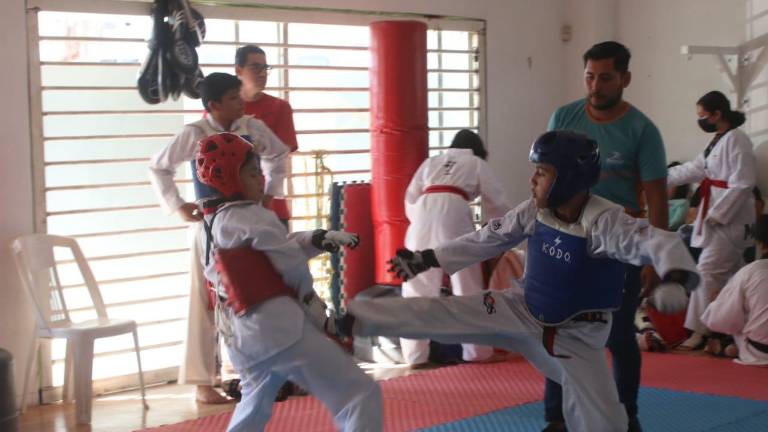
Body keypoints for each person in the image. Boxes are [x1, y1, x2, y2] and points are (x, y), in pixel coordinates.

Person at [340, 130, 699, 432]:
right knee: (444, 311)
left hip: (575, 337)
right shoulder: (532, 211)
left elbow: (655, 240)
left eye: (542, 172)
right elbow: (486, 239)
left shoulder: (605, 221)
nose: (532, 179)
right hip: (519, 309)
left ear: (570, 178)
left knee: (603, 422)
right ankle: (358, 317)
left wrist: (676, 278)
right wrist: (427, 258)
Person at [195, 132, 382, 432]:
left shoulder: (210, 224)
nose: (262, 180)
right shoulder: (254, 216)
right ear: (230, 178)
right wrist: (322, 316)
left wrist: (316, 239)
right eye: (254, 173)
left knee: (253, 409)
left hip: (241, 337)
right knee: (359, 394)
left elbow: (271, 252)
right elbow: (289, 266)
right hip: (280, 332)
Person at [543, 41, 669, 432]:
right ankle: (556, 418)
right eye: (589, 77)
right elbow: (546, 180)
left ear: (625, 78)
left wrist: (655, 257)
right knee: (556, 329)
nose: (595, 86)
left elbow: (656, 197)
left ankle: (627, 414)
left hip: (619, 245)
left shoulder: (642, 131)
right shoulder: (564, 117)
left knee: (617, 336)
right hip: (568, 239)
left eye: (606, 78)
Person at [148, 72, 290, 403]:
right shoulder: (195, 133)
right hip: (210, 223)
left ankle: (257, 372)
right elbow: (158, 167)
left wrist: (270, 194)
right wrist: (178, 205)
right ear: (212, 105)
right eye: (232, 98)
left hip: (250, 221)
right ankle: (201, 381)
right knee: (204, 298)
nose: (241, 102)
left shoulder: (252, 128)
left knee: (255, 295)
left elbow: (279, 155)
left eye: (240, 97)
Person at [399, 129, 511, 366]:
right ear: (478, 150)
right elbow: (496, 202)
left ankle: (414, 356)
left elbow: (409, 198)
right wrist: (494, 233)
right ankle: (477, 353)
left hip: (422, 215)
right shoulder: (475, 162)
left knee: (417, 287)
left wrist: (422, 221)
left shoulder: (431, 162)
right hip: (454, 215)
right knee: (467, 285)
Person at [668, 90, 757, 350]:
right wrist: (660, 176)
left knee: (706, 272)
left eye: (703, 115)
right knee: (732, 277)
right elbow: (694, 169)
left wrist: (718, 215)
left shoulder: (737, 139)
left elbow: (744, 183)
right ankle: (731, 330)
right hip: (718, 219)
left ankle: (701, 330)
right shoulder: (717, 141)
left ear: (718, 114)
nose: (701, 120)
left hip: (730, 220)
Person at [235, 44, 298, 224]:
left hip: (271, 205)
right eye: (255, 67)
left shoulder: (280, 108)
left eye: (265, 68)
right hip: (233, 208)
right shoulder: (222, 110)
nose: (262, 73)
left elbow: (281, 157)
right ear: (239, 70)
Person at [701, 214, 768, 366]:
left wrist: (717, 302)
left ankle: (726, 346)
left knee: (733, 313)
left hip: (760, 352)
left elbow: (721, 321)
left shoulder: (750, 272)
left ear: (760, 244)